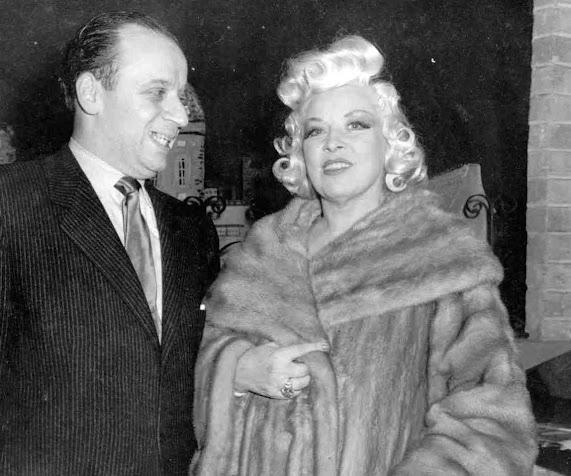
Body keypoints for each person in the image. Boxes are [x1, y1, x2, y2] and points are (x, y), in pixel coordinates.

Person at [192, 35, 537, 475]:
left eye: (356, 125)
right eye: (315, 131)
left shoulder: (441, 259)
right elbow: (196, 365)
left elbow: (492, 426)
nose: (333, 143)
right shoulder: (261, 255)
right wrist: (237, 371)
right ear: (300, 153)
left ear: (390, 143)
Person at [0, 11, 219, 475]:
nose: (181, 114)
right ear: (90, 93)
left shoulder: (190, 227)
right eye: (157, 92)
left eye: (181, 96)